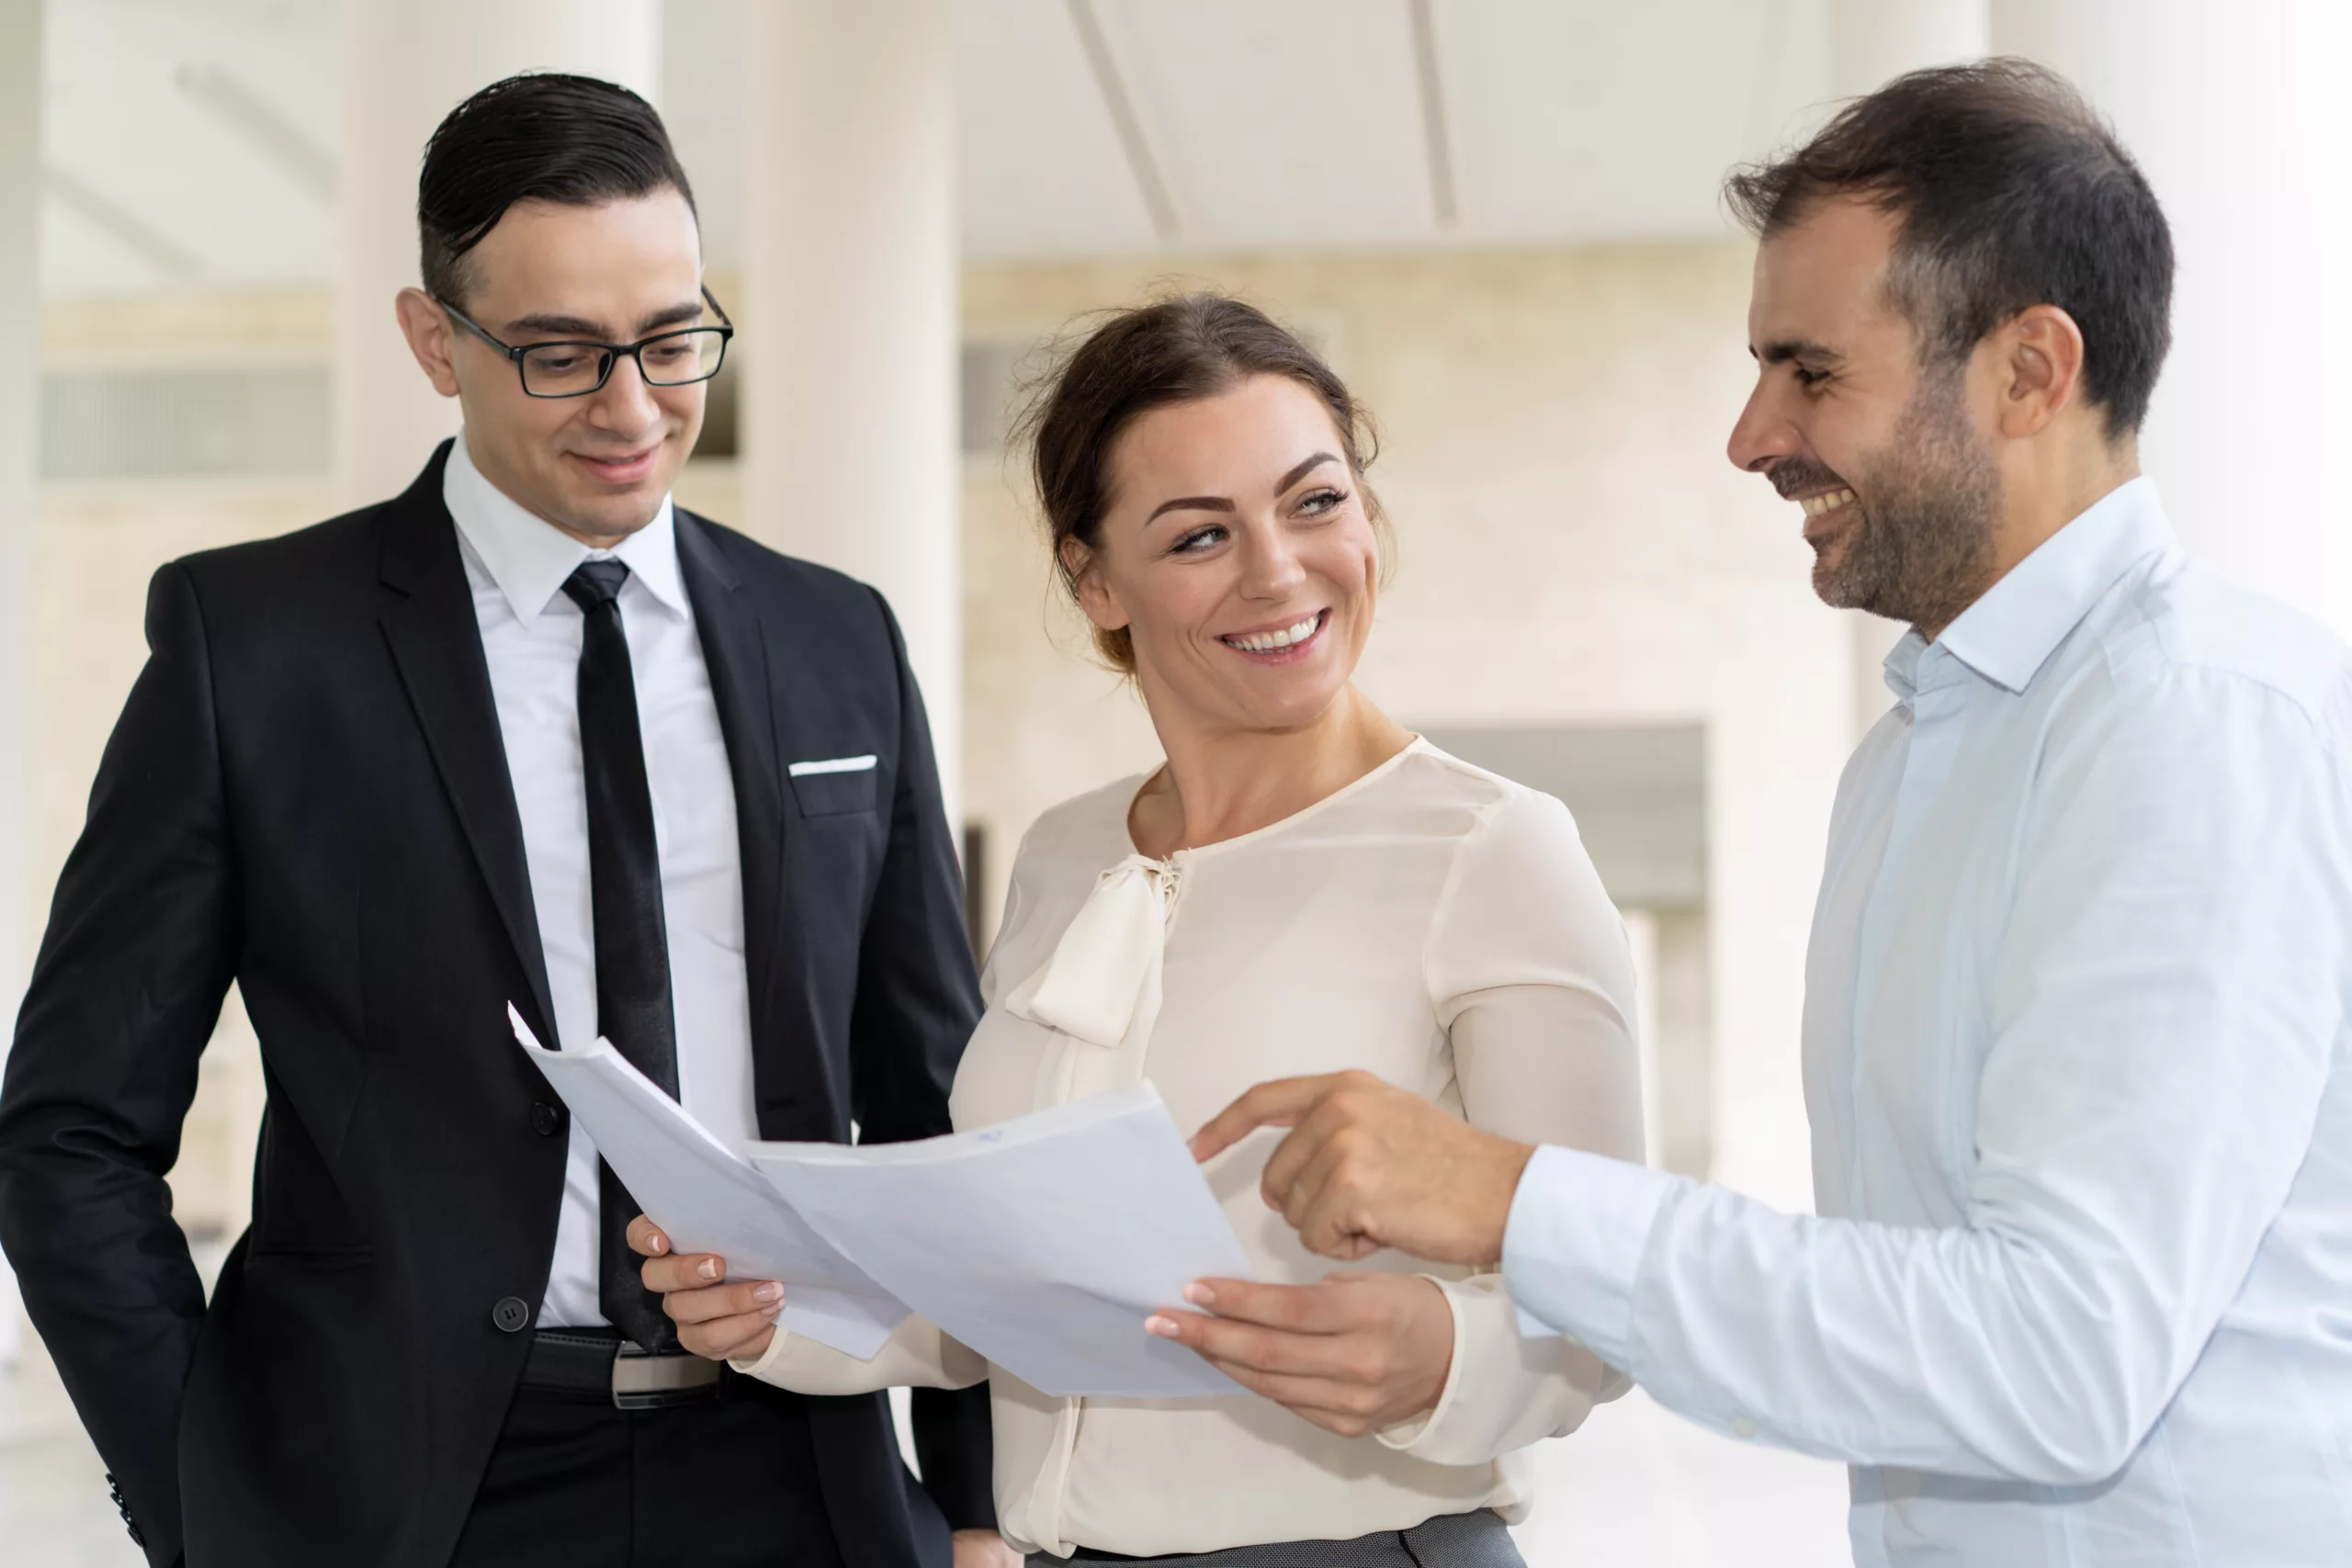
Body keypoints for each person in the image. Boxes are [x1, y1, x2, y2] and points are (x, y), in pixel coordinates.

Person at [1182, 59, 2352, 1568]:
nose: (1751, 435)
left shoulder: (2191, 722)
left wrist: (1517, 1201)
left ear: (2029, 372)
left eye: (1810, 371)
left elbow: (2063, 1353)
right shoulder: (1919, 748)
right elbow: (1906, 1307)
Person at [0, 73, 1001, 1568]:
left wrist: (975, 1508)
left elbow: (933, 1102)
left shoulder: (834, 638)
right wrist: (209, 1501)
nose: (633, 406)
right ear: (434, 341)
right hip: (417, 1503)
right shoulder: (258, 646)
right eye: (557, 353)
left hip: (809, 1480)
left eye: (673, 340)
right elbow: (70, 1131)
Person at [630, 294, 1647, 1564]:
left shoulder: (1493, 847)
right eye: (1200, 535)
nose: (1278, 569)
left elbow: (1607, 1301)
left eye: (1315, 501)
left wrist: (1443, 1355)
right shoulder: (1067, 854)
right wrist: (778, 1307)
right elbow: (1011, 1294)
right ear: (1094, 577)